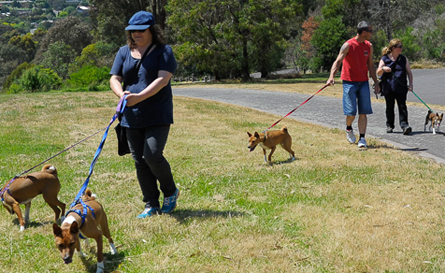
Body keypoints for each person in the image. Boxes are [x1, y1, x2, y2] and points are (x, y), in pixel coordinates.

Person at [110, 11, 179, 218]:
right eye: (132, 31)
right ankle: (151, 204)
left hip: (158, 113)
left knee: (152, 155)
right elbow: (115, 78)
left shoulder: (163, 51)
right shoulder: (124, 52)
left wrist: (139, 96)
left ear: (151, 30)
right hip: (131, 116)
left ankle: (170, 192)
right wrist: (121, 94)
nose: (136, 34)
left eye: (141, 30)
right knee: (139, 160)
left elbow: (163, 79)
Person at [327, 21, 380, 148]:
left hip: (363, 82)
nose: (372, 34)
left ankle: (362, 139)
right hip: (349, 82)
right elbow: (338, 61)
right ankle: (349, 128)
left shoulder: (369, 46)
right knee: (351, 113)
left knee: (363, 112)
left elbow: (371, 65)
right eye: (370, 31)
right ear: (364, 32)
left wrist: (376, 82)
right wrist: (331, 77)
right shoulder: (348, 45)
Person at [376, 39, 413, 135]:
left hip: (401, 87)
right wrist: (383, 68)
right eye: (399, 47)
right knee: (390, 107)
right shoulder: (384, 59)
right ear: (393, 48)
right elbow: (378, 72)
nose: (401, 49)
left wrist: (411, 84)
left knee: (402, 107)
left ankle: (405, 126)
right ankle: (390, 125)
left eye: (401, 46)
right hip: (388, 87)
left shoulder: (403, 59)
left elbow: (409, 72)